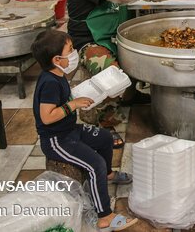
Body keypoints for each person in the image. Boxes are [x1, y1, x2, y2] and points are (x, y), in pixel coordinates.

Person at [31, 29, 139, 231]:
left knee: (105, 138)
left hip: (70, 130)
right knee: (94, 164)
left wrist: (83, 97)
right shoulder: (49, 83)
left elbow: (64, 101)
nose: (73, 54)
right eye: (70, 50)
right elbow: (46, 117)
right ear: (57, 59)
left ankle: (106, 175)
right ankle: (105, 216)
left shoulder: (58, 74)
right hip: (57, 140)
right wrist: (73, 105)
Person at [67, 0, 162, 146]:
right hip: (88, 39)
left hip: (107, 34)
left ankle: (130, 96)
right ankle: (103, 124)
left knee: (136, 54)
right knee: (111, 73)